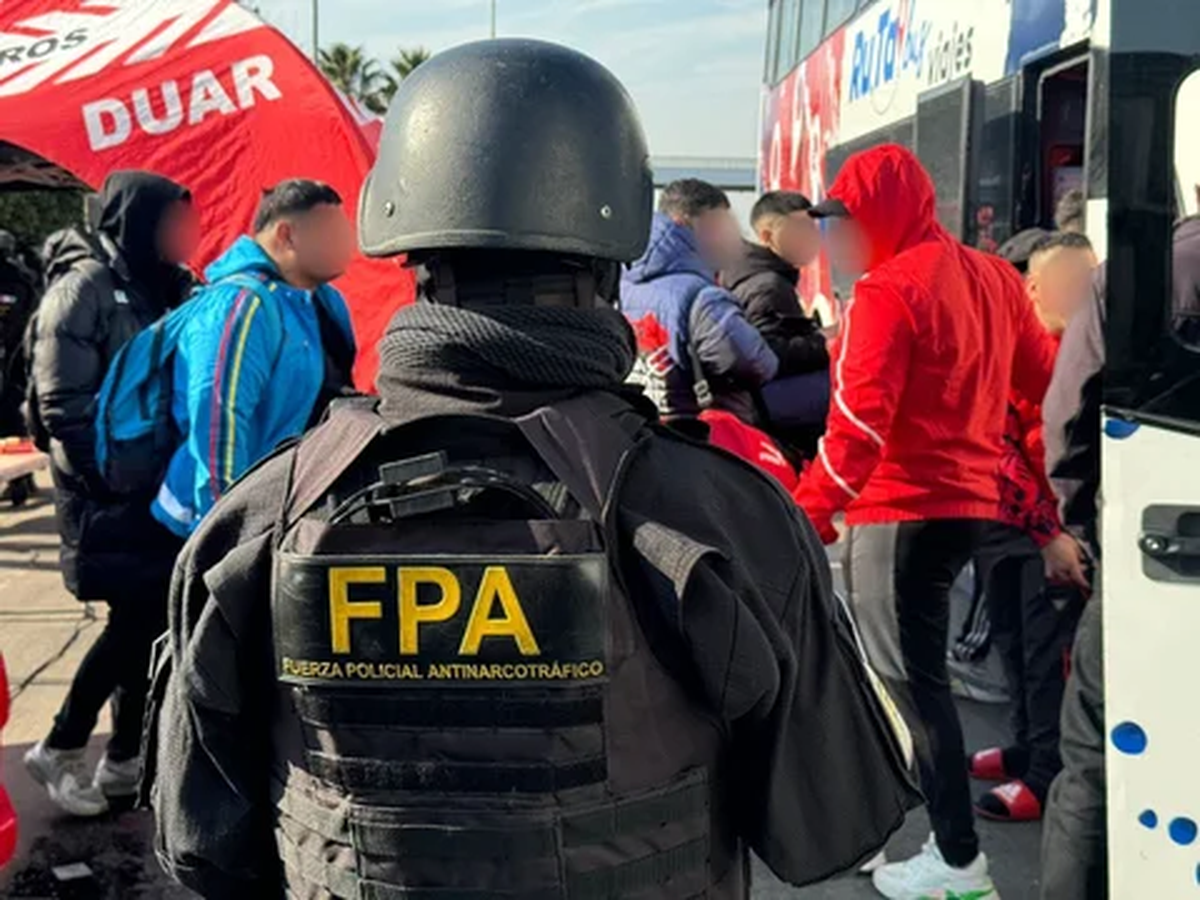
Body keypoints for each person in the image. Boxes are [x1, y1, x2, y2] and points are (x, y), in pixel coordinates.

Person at [150, 39, 921, 900]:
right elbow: (827, 823)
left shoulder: (257, 521)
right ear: (616, 248)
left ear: (399, 235)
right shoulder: (722, 512)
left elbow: (201, 844)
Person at [792, 144, 1059, 900]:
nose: (836, 240)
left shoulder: (885, 291)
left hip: (898, 511)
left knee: (909, 691)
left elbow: (857, 428)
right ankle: (920, 842)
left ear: (877, 218)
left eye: (844, 222)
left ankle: (958, 861)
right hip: (967, 510)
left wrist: (808, 513)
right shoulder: (994, 277)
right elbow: (1045, 381)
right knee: (920, 685)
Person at [24, 171, 199, 817]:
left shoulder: (172, 287)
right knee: (135, 619)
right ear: (138, 222)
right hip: (106, 491)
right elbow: (61, 404)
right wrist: (111, 479)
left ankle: (125, 757)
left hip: (157, 487)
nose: (188, 235)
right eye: (175, 222)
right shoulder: (84, 289)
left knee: (150, 619)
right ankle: (63, 744)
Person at [966, 232, 1097, 824]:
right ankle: (1026, 747)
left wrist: (1054, 534)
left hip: (1053, 531)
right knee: (1013, 643)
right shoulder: (1012, 350)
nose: (1085, 291)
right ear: (1035, 287)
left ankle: (1047, 771)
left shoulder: (1091, 349)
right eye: (1072, 279)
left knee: (1049, 654)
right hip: (1011, 522)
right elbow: (997, 445)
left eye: (1090, 279)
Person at [151, 179, 356, 537]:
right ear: (287, 235)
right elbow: (217, 425)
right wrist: (229, 536)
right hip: (212, 521)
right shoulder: (240, 306)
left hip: (283, 507)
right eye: (331, 232)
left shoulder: (324, 301)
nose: (347, 245)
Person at [621, 178, 779, 429]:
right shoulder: (702, 297)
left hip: (644, 430)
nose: (737, 239)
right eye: (727, 226)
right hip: (704, 437)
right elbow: (758, 364)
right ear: (696, 225)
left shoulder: (623, 284)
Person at [721, 191, 831, 449]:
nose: (812, 239)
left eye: (813, 229)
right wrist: (825, 342)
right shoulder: (768, 286)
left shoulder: (747, 272)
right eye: (800, 230)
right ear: (767, 236)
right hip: (771, 409)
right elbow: (767, 353)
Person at [0, 229, 40, 503]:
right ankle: (22, 479)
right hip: (20, 359)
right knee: (15, 419)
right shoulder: (24, 278)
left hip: (10, 357)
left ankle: (18, 482)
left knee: (9, 420)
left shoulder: (16, 280)